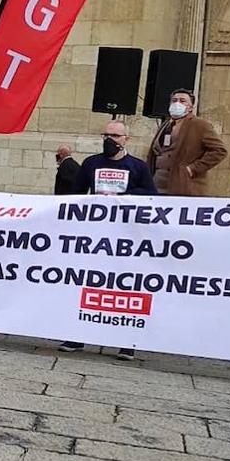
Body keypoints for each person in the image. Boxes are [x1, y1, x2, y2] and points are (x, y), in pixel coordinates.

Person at [60, 120, 158, 361]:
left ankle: (126, 343)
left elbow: (152, 196)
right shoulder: (91, 163)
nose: (110, 140)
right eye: (106, 134)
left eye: (115, 135)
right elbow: (77, 194)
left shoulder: (138, 166)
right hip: (96, 236)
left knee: (123, 287)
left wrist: (125, 195)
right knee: (87, 283)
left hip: (127, 238)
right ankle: (77, 335)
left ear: (126, 139)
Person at [146, 89, 227, 196]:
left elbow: (220, 151)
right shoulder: (165, 125)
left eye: (182, 101)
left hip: (182, 185)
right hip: (157, 184)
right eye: (174, 100)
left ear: (190, 107)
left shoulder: (200, 125)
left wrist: (192, 169)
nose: (177, 103)